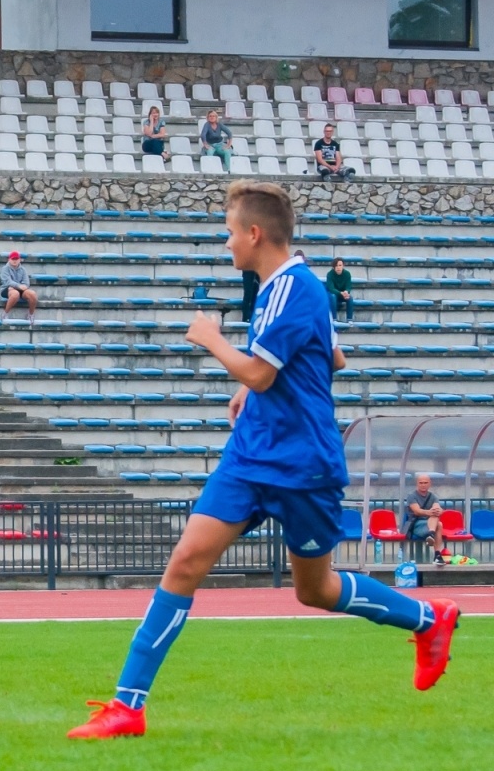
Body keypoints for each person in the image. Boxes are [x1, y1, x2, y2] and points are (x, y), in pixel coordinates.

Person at [68, 181, 461, 740]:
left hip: (302, 465)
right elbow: (335, 357)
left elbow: (262, 370)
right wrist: (255, 391)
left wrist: (213, 340)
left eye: (230, 232)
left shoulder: (292, 289)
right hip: (251, 457)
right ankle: (127, 705)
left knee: (315, 590)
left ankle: (429, 617)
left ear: (254, 234)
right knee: (184, 563)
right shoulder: (295, 287)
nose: (226, 243)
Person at [404, 472, 450, 565]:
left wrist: (439, 511)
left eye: (425, 483)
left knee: (438, 521)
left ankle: (431, 537)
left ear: (429, 484)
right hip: (416, 524)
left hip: (430, 524)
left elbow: (437, 508)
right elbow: (417, 511)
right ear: (417, 484)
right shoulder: (411, 496)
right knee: (438, 523)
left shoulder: (433, 496)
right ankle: (437, 554)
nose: (423, 485)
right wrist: (429, 512)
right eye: (421, 483)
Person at [0, 250, 37, 323]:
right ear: (9, 259)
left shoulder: (23, 270)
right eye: (13, 259)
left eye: (16, 259)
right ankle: (5, 313)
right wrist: (18, 286)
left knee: (32, 294)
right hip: (7, 289)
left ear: (19, 260)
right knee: (15, 294)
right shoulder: (5, 269)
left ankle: (31, 314)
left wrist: (21, 287)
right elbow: (7, 282)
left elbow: (26, 283)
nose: (14, 261)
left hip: (19, 289)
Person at [325, 257, 354, 322]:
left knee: (350, 298)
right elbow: (331, 288)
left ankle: (349, 319)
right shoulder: (330, 274)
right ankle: (334, 319)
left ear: (343, 266)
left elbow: (348, 286)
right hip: (333, 294)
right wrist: (341, 293)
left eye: (340, 265)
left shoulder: (347, 274)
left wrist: (346, 292)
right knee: (333, 296)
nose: (338, 267)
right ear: (333, 267)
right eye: (336, 266)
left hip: (343, 294)